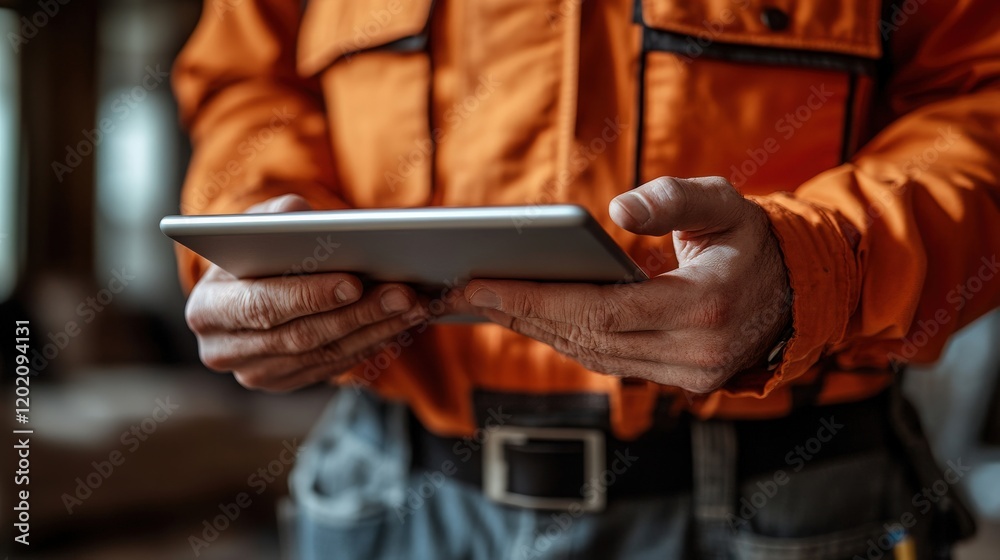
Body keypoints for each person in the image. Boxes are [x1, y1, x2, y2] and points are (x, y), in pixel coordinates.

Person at [171, 0, 1000, 558]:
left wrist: (813, 268)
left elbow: (981, 99)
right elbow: (247, 84)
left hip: (791, 500)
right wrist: (251, 234)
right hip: (383, 492)